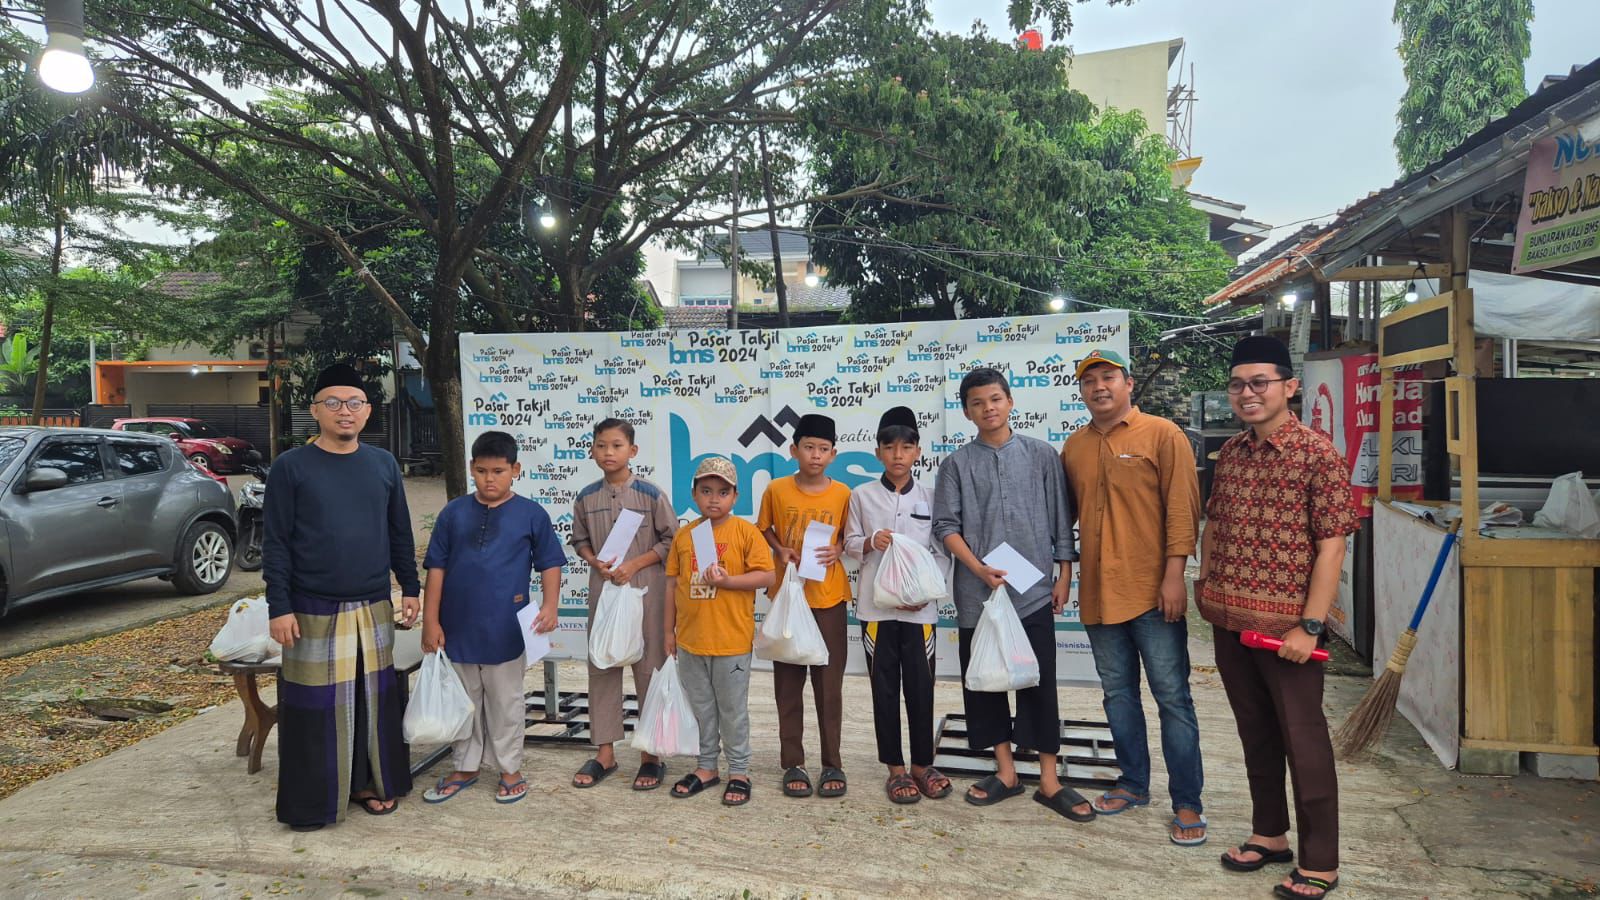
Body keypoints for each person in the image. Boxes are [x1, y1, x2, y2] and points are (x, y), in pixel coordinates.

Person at [1201, 336, 1357, 900]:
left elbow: (1332, 545)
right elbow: (1216, 522)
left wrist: (1310, 625)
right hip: (1229, 622)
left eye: (1259, 383)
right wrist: (1205, 584)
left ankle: (1321, 861)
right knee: (1256, 734)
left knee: (1304, 741)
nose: (1247, 393)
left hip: (1288, 633)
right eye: (1237, 384)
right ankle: (1269, 834)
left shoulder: (1317, 454)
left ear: (1289, 387)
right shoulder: (1231, 453)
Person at [264, 363, 421, 831]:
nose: (344, 411)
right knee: (315, 709)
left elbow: (399, 531)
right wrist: (279, 606)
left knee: (372, 703)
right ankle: (314, 801)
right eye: (333, 402)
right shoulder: (291, 467)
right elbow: (276, 542)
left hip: (372, 603)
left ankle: (369, 784)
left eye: (354, 403)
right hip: (311, 606)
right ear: (315, 410)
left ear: (368, 411)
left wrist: (410, 586)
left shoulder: (383, 464)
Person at [932, 367, 1093, 821]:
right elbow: (945, 526)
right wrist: (978, 569)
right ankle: (1005, 773)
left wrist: (1064, 575)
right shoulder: (956, 465)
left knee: (1039, 682)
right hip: (978, 593)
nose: (988, 408)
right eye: (977, 403)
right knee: (986, 682)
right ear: (966, 412)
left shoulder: (1042, 455)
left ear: (1010, 402)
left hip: (1033, 589)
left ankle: (1049, 779)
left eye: (995, 399)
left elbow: (1061, 519)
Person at [1061, 349, 1206, 845]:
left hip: (1152, 592)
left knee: (1173, 698)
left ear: (1128, 383)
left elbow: (1183, 509)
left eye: (1108, 377)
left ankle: (1187, 801)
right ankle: (1132, 783)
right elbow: (1064, 517)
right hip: (1099, 594)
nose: (1099, 387)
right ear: (1081, 392)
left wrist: (1175, 577)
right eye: (1089, 381)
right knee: (1118, 696)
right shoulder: (1075, 446)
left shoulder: (1163, 434)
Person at [417, 430, 565, 805]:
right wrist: (430, 621)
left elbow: (550, 563)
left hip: (506, 627)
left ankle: (509, 769)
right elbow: (436, 568)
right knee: (464, 700)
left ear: (515, 469)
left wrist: (550, 606)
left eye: (498, 471)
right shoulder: (453, 513)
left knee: (505, 701)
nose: (489, 479)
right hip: (457, 626)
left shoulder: (531, 514)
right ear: (471, 468)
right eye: (482, 471)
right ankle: (465, 766)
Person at [842, 406, 953, 805]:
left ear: (918, 452)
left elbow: (942, 553)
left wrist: (925, 592)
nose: (898, 455)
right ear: (878, 453)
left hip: (920, 612)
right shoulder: (862, 496)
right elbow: (848, 544)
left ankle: (922, 765)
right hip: (876, 612)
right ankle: (895, 768)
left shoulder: (931, 497)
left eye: (906, 447)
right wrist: (870, 542)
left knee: (921, 688)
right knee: (884, 689)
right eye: (889, 448)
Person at [569, 418, 678, 790]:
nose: (608, 452)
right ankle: (605, 753)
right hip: (605, 593)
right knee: (602, 665)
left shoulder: (650, 494)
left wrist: (634, 564)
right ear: (592, 451)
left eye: (616, 446)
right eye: (601, 445)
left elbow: (671, 540)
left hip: (647, 592)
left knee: (649, 669)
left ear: (632, 451)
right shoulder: (586, 497)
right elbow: (579, 540)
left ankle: (651, 754)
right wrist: (594, 560)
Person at [664, 456, 776, 807]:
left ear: (736, 496)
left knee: (732, 709)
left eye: (723, 492)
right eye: (706, 491)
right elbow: (672, 585)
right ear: (694, 494)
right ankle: (707, 766)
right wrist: (669, 631)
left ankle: (739, 771)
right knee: (702, 708)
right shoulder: (685, 535)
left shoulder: (745, 532)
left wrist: (729, 582)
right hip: (691, 641)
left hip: (731, 642)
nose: (714, 498)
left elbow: (767, 575)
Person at [756, 414, 853, 800]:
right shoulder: (776, 489)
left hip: (829, 598)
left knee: (829, 687)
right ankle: (792, 763)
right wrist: (780, 549)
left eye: (823, 449)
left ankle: (832, 763)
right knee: (788, 685)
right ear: (793, 450)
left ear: (833, 454)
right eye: (808, 447)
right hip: (788, 598)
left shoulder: (843, 494)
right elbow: (764, 528)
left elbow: (849, 536)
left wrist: (838, 549)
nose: (815, 455)